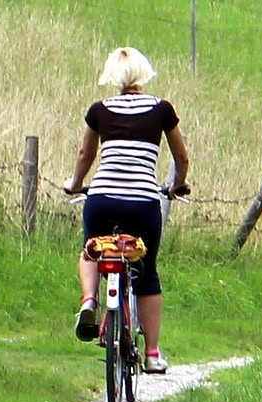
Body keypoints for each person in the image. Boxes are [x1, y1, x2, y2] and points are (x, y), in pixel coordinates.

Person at [63, 47, 190, 374]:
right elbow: (182, 158)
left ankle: (89, 301)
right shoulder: (162, 110)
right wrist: (176, 185)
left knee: (91, 250)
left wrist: (75, 183)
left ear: (113, 75)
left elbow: (84, 155)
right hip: (143, 202)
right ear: (143, 72)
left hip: (102, 198)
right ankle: (151, 353)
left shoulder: (99, 110)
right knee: (147, 273)